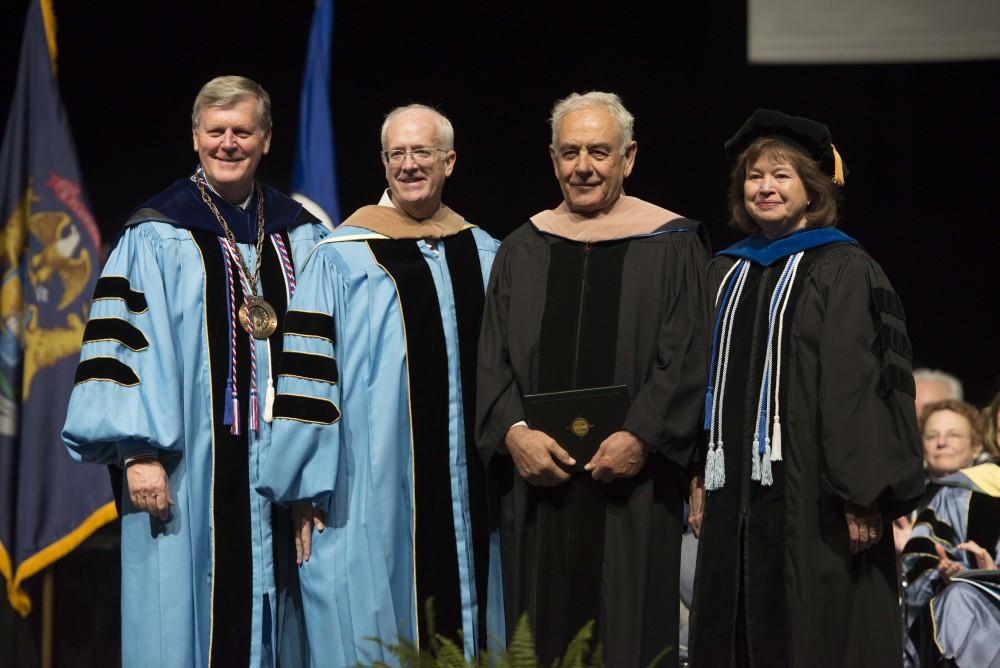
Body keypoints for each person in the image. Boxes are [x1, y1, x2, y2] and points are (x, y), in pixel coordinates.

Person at [61, 76, 326, 666]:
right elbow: (121, 349)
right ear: (195, 138)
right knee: (182, 619)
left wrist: (315, 468)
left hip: (282, 470)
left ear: (266, 140)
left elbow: (327, 357)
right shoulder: (155, 234)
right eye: (216, 132)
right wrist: (137, 452)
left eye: (242, 132)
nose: (228, 144)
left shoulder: (302, 235)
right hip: (185, 471)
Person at [256, 104, 503, 665]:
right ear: (384, 162)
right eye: (398, 154)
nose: (409, 165)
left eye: (422, 153)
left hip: (472, 495)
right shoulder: (341, 257)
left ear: (450, 161)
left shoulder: (484, 253)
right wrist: (304, 489)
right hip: (368, 489)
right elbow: (308, 379)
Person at [476, 91, 709, 667]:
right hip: (538, 484)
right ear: (553, 159)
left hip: (634, 485)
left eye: (599, 152)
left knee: (629, 633)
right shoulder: (521, 247)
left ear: (628, 158)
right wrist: (514, 433)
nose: (584, 166)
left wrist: (641, 437)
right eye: (570, 152)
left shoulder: (674, 244)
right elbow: (491, 359)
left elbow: (686, 358)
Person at [687, 109, 925, 667]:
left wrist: (861, 490)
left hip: (818, 502)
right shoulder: (724, 272)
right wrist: (698, 474)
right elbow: (699, 384)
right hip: (732, 501)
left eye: (781, 175)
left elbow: (861, 386)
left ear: (813, 189)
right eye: (753, 176)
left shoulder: (844, 267)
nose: (764, 187)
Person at [902, 399, 1000, 667]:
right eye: (932, 436)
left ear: (976, 443)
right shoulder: (954, 494)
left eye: (954, 435)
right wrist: (958, 576)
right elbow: (920, 564)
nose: (942, 443)